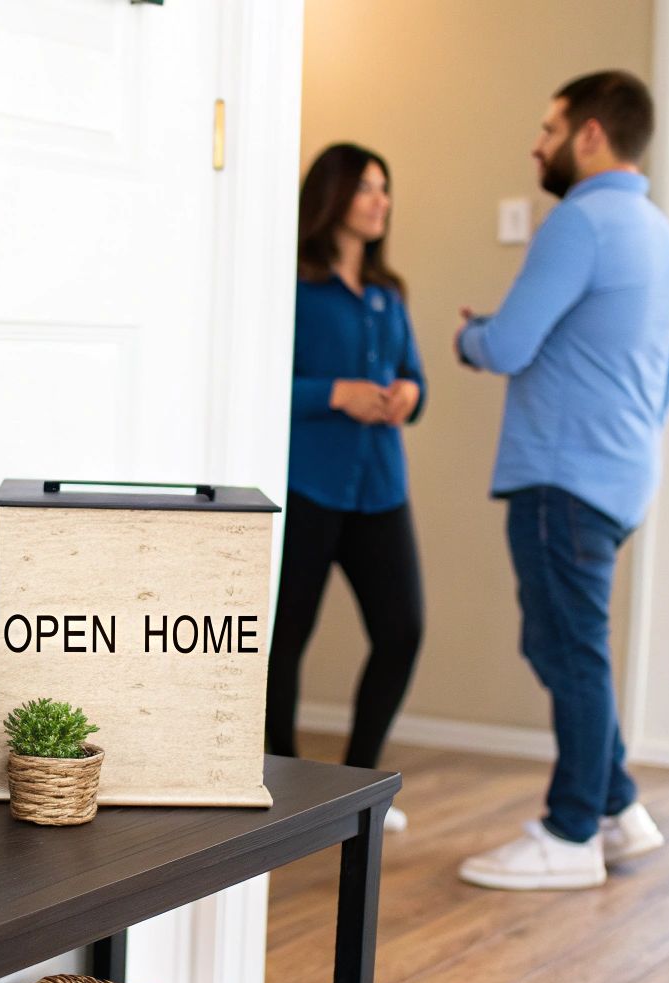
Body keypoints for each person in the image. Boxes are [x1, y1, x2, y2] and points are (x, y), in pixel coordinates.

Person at [454, 70, 669, 890]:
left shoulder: (579, 223)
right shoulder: (662, 236)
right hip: (623, 473)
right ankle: (620, 809)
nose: (537, 143)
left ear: (591, 133)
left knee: (571, 649)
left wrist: (470, 335)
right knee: (560, 640)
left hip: (562, 475)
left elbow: (511, 344)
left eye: (549, 127)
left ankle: (570, 832)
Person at [267, 143, 426, 832]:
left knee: (403, 630)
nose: (379, 201)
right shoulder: (293, 287)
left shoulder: (390, 295)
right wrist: (337, 393)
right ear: (333, 195)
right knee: (286, 636)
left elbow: (416, 379)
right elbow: (267, 379)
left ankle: (363, 784)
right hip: (310, 485)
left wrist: (408, 393)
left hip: (380, 488)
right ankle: (277, 771)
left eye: (385, 189)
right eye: (366, 187)